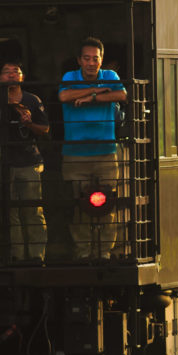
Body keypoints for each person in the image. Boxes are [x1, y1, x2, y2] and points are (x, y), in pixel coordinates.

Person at [58, 37, 127, 259]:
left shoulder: (110, 76)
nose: (90, 63)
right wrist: (96, 90)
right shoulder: (70, 77)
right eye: (86, 59)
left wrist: (93, 97)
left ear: (101, 59)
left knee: (108, 205)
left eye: (95, 59)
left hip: (106, 152)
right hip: (75, 154)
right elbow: (64, 95)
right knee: (79, 207)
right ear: (79, 60)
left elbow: (123, 95)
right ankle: (83, 253)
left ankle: (104, 253)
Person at [0, 61, 49, 262]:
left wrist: (29, 123)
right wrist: (11, 103)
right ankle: (16, 256)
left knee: (33, 210)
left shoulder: (32, 99)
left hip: (29, 161)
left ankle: (37, 256)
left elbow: (44, 129)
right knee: (10, 211)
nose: (11, 75)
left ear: (22, 76)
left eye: (15, 71)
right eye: (6, 72)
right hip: (3, 162)